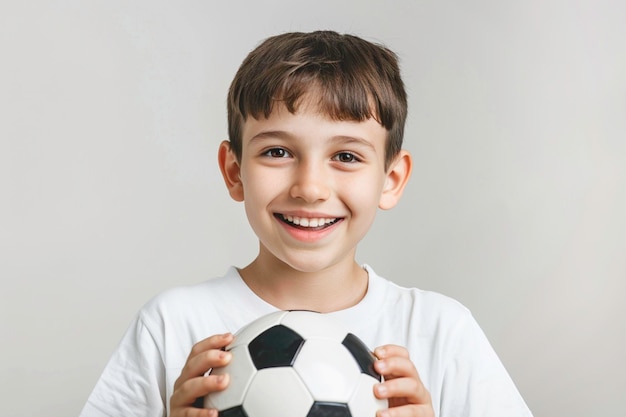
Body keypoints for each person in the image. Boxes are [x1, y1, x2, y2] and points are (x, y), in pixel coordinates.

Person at [79, 30, 533, 417]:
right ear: (234, 171)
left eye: (346, 156)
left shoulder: (440, 331)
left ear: (390, 180)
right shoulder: (172, 325)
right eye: (277, 152)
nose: (310, 187)